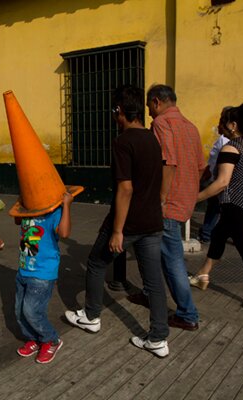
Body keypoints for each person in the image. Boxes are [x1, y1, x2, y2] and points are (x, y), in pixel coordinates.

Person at [65, 85, 169, 358]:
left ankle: (91, 316)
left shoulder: (123, 142)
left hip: (130, 222)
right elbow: (165, 171)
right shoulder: (151, 138)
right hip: (153, 221)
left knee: (97, 263)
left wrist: (118, 231)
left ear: (119, 111)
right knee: (154, 280)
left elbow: (125, 188)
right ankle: (158, 338)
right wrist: (160, 200)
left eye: (115, 111)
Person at [190, 104, 243, 314]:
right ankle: (203, 275)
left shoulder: (230, 148)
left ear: (233, 125)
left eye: (223, 120)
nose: (220, 124)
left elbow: (222, 182)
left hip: (235, 204)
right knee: (218, 235)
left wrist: (195, 198)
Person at [143, 84, 205, 331]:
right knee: (158, 252)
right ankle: (151, 293)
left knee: (172, 259)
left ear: (156, 102)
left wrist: (161, 196)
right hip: (185, 200)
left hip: (168, 203)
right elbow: (201, 166)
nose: (149, 113)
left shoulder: (161, 123)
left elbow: (168, 161)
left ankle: (188, 313)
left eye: (149, 107)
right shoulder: (191, 126)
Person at [16, 192, 73, 364]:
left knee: (32, 311)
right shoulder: (28, 211)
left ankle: (51, 340)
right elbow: (17, 220)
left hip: (42, 273)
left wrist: (67, 206)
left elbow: (64, 233)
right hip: (24, 270)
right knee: (19, 312)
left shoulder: (54, 213)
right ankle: (34, 338)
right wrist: (24, 200)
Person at [198, 108, 231, 243]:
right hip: (215, 178)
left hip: (217, 179)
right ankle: (206, 233)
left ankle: (207, 233)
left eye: (221, 122)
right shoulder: (223, 141)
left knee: (216, 208)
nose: (218, 125)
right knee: (215, 208)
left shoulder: (225, 142)